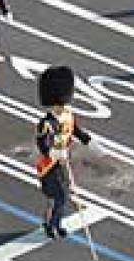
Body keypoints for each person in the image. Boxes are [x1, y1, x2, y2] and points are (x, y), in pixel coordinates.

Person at [35, 65, 93, 238]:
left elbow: (74, 130)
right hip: (49, 165)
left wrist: (87, 140)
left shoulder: (67, 115)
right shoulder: (46, 123)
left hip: (63, 162)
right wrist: (54, 153)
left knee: (63, 196)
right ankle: (50, 224)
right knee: (57, 197)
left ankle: (55, 223)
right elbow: (42, 144)